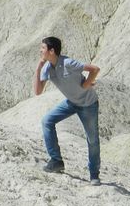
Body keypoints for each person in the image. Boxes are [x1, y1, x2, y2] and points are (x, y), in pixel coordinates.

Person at [34, 36, 102, 185]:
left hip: (88, 104)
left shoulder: (68, 63)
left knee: (92, 140)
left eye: (43, 48)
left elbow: (95, 69)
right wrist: (39, 66)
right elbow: (38, 91)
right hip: (71, 102)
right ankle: (56, 161)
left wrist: (86, 84)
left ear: (51, 51)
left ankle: (94, 175)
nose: (40, 50)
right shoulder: (47, 68)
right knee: (47, 121)